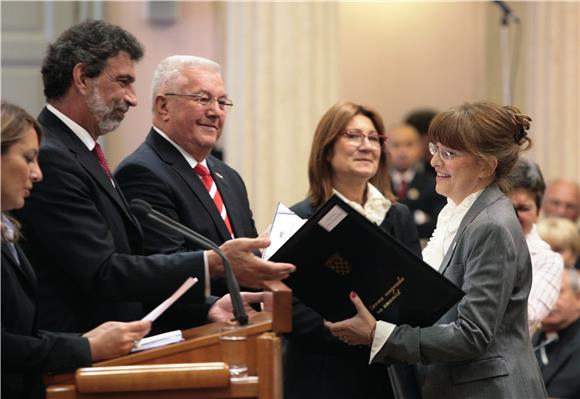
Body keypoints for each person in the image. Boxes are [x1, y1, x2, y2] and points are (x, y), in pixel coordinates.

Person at [14, 20, 290, 334]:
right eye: (123, 81)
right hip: (76, 351)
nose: (132, 99)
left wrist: (207, 306)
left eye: (222, 102)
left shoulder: (81, 152)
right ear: (81, 78)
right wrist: (212, 261)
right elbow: (104, 271)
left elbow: (126, 262)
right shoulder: (53, 155)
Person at [325, 101, 547, 398]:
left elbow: (472, 333)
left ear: (485, 165)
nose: (434, 163)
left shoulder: (490, 224)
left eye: (448, 154)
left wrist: (380, 335)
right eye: (435, 149)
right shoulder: (457, 212)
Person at [1, 101, 152, 399]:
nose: (37, 174)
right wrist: (86, 347)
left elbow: (22, 334)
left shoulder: (7, 232)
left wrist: (85, 340)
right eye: (29, 158)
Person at [284, 101, 421, 399]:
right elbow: (289, 307)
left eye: (373, 138)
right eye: (354, 136)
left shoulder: (398, 216)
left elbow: (414, 295)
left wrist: (379, 334)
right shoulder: (299, 219)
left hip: (387, 373)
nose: (367, 146)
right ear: (327, 148)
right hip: (321, 374)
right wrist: (348, 333)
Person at [115, 56, 263, 302]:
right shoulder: (142, 172)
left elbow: (248, 256)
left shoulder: (229, 177)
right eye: (203, 99)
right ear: (164, 107)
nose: (215, 112)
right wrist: (222, 307)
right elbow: (162, 271)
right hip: (193, 330)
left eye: (222, 102)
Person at [509, 157, 564, 333]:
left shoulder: (548, 260)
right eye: (505, 207)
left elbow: (525, 315)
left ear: (538, 212)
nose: (512, 216)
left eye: (523, 208)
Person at [386, 123, 445, 240]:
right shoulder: (377, 185)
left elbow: (435, 226)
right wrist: (418, 217)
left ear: (420, 149)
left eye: (409, 145)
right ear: (385, 149)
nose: (402, 152)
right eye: (395, 145)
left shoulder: (435, 184)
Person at [532, 269, 580, 398]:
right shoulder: (529, 339)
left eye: (559, 292)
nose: (550, 300)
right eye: (545, 293)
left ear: (578, 298)